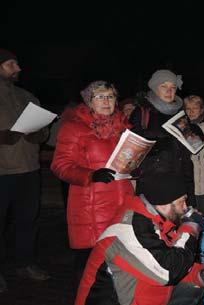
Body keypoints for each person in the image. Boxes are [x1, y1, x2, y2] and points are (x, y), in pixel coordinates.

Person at [74, 175, 204, 305]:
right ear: (164, 203)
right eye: (182, 202)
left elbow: (169, 257)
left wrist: (199, 275)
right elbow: (168, 271)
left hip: (144, 295)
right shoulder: (129, 230)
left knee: (193, 289)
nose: (185, 208)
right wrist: (190, 228)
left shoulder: (159, 222)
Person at [51, 80, 135, 285]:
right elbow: (60, 165)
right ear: (89, 101)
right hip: (92, 205)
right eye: (100, 96)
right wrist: (90, 175)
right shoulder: (74, 128)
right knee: (92, 269)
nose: (106, 101)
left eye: (111, 96)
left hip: (123, 201)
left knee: (122, 264)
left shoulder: (124, 127)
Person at [0, 48, 50, 291]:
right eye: (11, 64)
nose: (18, 69)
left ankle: (25, 263)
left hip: (29, 170)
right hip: (1, 171)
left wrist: (40, 134)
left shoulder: (27, 96)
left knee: (27, 221)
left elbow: (43, 130)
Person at [129, 69, 195, 205]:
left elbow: (186, 153)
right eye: (164, 86)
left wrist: (195, 137)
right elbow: (133, 148)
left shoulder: (180, 114)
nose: (169, 91)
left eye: (173, 87)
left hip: (179, 180)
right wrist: (161, 142)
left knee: (180, 225)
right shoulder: (143, 112)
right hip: (153, 182)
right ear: (154, 88)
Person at [184, 95, 204, 215]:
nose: (191, 112)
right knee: (191, 222)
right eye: (188, 108)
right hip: (189, 185)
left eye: (195, 108)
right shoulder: (182, 128)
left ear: (202, 109)